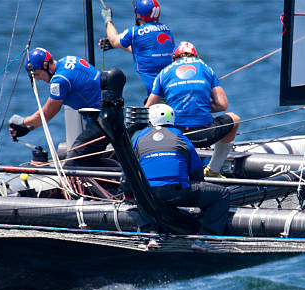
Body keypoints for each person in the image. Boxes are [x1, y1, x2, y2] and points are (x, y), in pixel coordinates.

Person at [145, 41, 240, 177]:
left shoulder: (164, 73)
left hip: (175, 137)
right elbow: (222, 105)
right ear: (196, 56)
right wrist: (200, 108)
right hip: (205, 135)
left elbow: (149, 108)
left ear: (174, 57)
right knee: (234, 119)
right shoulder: (206, 68)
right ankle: (213, 170)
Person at [132, 104, 230, 236]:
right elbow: (196, 171)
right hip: (178, 192)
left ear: (150, 122)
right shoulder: (181, 137)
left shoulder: (138, 138)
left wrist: (128, 195)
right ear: (173, 121)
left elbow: (128, 173)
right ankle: (206, 238)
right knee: (222, 194)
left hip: (149, 193)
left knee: (140, 192)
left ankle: (150, 233)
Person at [9, 47, 105, 167]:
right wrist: (29, 127)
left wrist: (23, 122)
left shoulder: (60, 80)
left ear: (45, 65)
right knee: (83, 158)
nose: (38, 79)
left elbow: (47, 114)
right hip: (107, 117)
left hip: (101, 124)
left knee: (72, 166)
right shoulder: (66, 60)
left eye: (37, 74)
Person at [100, 0, 174, 97]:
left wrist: (108, 20)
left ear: (138, 15)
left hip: (155, 94)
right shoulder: (167, 30)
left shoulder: (134, 32)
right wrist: (118, 46)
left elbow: (113, 40)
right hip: (170, 89)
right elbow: (143, 51)